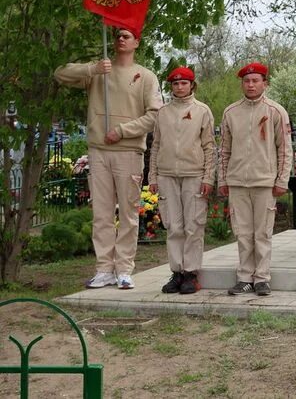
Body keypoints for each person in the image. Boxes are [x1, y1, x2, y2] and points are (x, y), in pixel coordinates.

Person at [54, 27, 162, 289]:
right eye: (117, 36)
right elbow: (60, 74)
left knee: (127, 212)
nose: (121, 39)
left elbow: (154, 114)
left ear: (137, 42)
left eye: (127, 36)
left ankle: (124, 268)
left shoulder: (145, 76)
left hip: (128, 151)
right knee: (101, 213)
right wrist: (92, 69)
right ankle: (104, 268)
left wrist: (123, 131)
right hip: (99, 150)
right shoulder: (99, 71)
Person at [219, 62, 293, 296]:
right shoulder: (230, 112)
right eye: (246, 81)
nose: (250, 85)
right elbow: (224, 150)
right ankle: (244, 277)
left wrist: (281, 180)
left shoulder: (276, 111)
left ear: (264, 83)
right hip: (238, 182)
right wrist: (223, 180)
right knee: (242, 232)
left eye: (255, 81)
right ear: (242, 83)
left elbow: (285, 149)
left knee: (262, 232)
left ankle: (261, 278)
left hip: (265, 182)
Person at [150, 66, 215, 295]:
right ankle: (176, 272)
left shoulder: (202, 111)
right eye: (175, 84)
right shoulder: (163, 112)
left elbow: (209, 146)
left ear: (192, 85)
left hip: (194, 174)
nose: (179, 87)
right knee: (173, 225)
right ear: (171, 87)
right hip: (167, 174)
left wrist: (208, 177)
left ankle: (190, 273)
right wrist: (153, 176)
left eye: (184, 83)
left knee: (193, 225)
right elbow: (156, 145)